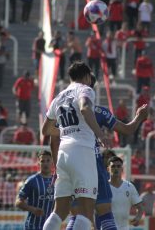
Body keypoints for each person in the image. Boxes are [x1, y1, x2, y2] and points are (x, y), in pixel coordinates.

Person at [63, 74, 148, 230]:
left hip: (71, 165)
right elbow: (127, 129)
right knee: (104, 212)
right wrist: (139, 118)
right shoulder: (98, 112)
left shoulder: (64, 112)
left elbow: (50, 134)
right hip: (92, 165)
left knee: (76, 214)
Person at [42, 61, 111, 230]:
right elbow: (85, 108)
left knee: (59, 211)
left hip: (63, 154)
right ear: (87, 76)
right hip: (82, 152)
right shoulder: (85, 89)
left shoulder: (58, 97)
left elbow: (46, 129)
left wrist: (68, 131)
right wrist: (100, 134)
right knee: (86, 213)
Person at [15, 151, 55, 230]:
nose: (45, 163)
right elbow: (18, 202)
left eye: (48, 160)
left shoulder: (57, 180)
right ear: (38, 164)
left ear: (52, 163)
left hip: (51, 226)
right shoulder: (32, 180)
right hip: (33, 226)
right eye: (42, 161)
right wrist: (33, 210)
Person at [108, 156, 144, 229]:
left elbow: (140, 207)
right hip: (107, 228)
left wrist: (138, 217)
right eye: (113, 166)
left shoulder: (129, 186)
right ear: (108, 169)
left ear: (122, 169)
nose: (116, 168)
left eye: (118, 166)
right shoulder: (103, 187)